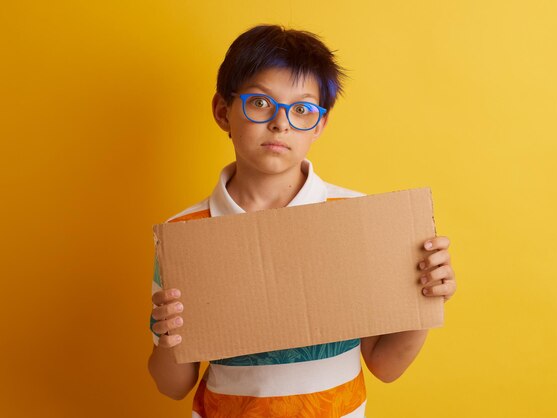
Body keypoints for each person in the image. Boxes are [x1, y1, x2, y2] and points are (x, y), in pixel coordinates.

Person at [148, 24, 457, 418]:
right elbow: (173, 386)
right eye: (260, 103)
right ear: (223, 112)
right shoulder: (185, 233)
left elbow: (386, 365)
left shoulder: (354, 218)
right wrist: (167, 337)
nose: (281, 124)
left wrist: (424, 302)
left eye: (302, 110)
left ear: (320, 126)